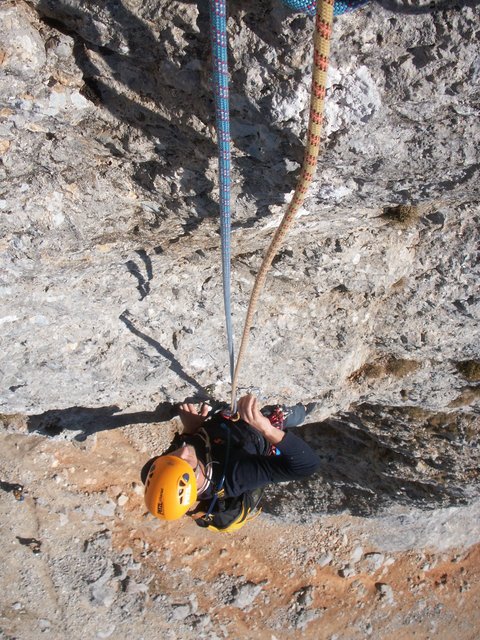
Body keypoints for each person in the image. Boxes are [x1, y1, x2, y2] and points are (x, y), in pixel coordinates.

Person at [142, 394, 320, 524]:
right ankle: (307, 409)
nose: (181, 452)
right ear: (195, 478)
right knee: (285, 413)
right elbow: (307, 466)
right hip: (256, 430)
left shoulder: (160, 470)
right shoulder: (235, 477)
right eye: (186, 462)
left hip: (221, 421)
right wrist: (267, 429)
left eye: (171, 457)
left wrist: (190, 429)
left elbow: (181, 449)